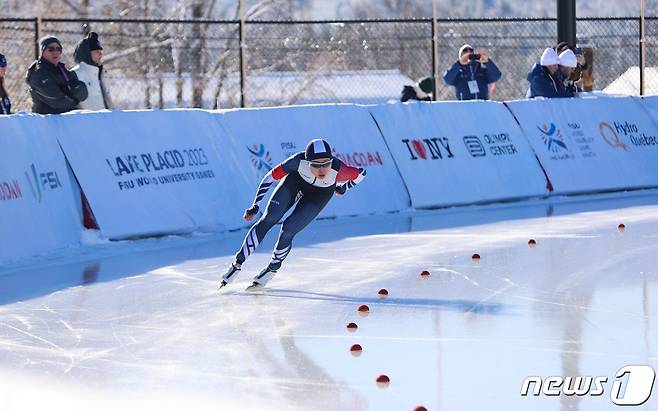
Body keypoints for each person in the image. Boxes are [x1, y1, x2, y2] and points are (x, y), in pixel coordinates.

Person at [219, 139, 367, 290]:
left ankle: (271, 270)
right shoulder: (297, 161)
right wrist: (255, 204)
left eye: (326, 164)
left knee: (289, 228)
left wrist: (345, 187)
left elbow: (361, 173)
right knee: (269, 219)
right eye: (316, 165)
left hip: (319, 195)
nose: (322, 169)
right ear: (307, 161)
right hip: (295, 183)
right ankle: (237, 264)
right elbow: (270, 177)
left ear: (332, 160)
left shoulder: (340, 170)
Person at [26, 35, 88, 114]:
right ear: (42, 52)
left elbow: (83, 92)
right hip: (47, 120)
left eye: (58, 49)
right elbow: (57, 100)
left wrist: (69, 93)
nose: (55, 52)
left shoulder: (62, 70)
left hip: (67, 117)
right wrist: (73, 97)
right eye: (51, 49)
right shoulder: (38, 74)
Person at [72, 31, 113, 110]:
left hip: (107, 119)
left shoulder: (101, 73)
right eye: (97, 52)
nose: (100, 54)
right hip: (87, 120)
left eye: (101, 52)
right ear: (86, 53)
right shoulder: (76, 74)